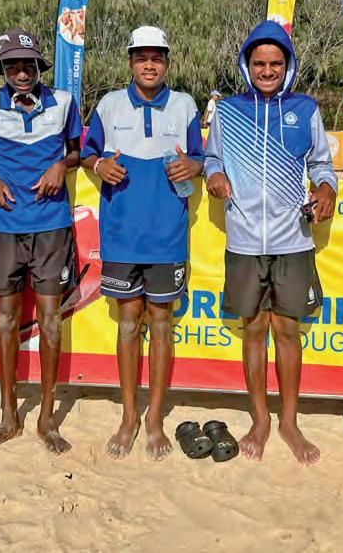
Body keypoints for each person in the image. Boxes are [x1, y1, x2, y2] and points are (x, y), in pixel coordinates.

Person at [205, 20, 337, 466]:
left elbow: (321, 164)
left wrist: (326, 190)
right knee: (254, 329)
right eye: (259, 63)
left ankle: (289, 423)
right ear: (247, 65)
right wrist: (214, 176)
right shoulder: (228, 112)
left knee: (287, 331)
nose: (267, 70)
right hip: (244, 241)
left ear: (288, 65)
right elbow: (212, 158)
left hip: (293, 240)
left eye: (275, 63)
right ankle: (260, 420)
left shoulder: (305, 109)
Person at [81, 25, 204, 461]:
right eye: (141, 57)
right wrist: (98, 165)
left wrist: (194, 166)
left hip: (168, 237)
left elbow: (201, 158)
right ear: (130, 61)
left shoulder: (185, 104)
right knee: (128, 324)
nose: (149, 65)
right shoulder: (110, 104)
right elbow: (86, 152)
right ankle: (128, 417)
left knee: (162, 324)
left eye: (157, 57)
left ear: (166, 62)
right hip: (121, 236)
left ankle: (154, 419)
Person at [0, 28, 82, 457]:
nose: (21, 73)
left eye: (27, 65)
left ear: (39, 66)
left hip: (52, 224)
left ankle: (46, 419)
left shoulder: (64, 102)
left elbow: (77, 150)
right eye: (12, 66)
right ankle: (8, 419)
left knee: (51, 321)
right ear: (2, 69)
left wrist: (61, 166)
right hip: (4, 224)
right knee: (6, 320)